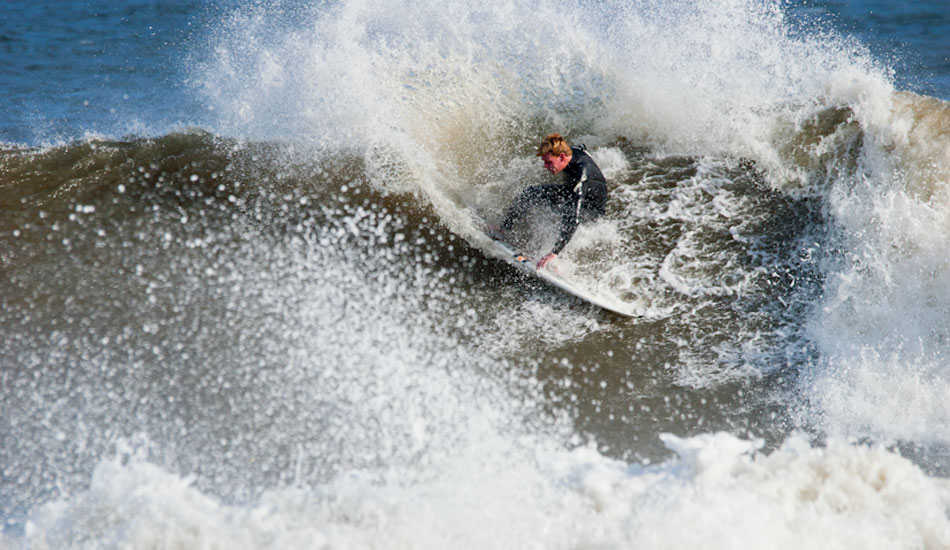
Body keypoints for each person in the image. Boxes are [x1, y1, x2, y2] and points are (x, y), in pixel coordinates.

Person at [495, 133, 608, 269]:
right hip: (570, 191)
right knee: (530, 193)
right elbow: (582, 149)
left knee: (568, 214)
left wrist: (554, 252)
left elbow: (573, 219)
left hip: (591, 209)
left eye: (548, 162)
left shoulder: (581, 178)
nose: (545, 166)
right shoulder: (570, 152)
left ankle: (557, 259)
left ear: (561, 157)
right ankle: (504, 229)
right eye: (544, 162)